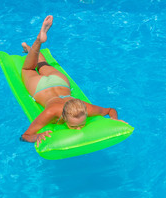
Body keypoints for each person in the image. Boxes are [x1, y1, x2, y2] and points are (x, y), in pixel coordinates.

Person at [20, 15, 125, 146]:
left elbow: (111, 110)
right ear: (63, 116)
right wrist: (37, 136)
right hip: (42, 87)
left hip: (59, 82)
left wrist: (114, 121)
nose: (79, 128)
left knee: (40, 64)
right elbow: (25, 136)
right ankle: (35, 42)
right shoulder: (51, 112)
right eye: (74, 126)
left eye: (81, 124)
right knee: (27, 69)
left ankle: (31, 47)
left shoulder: (85, 108)